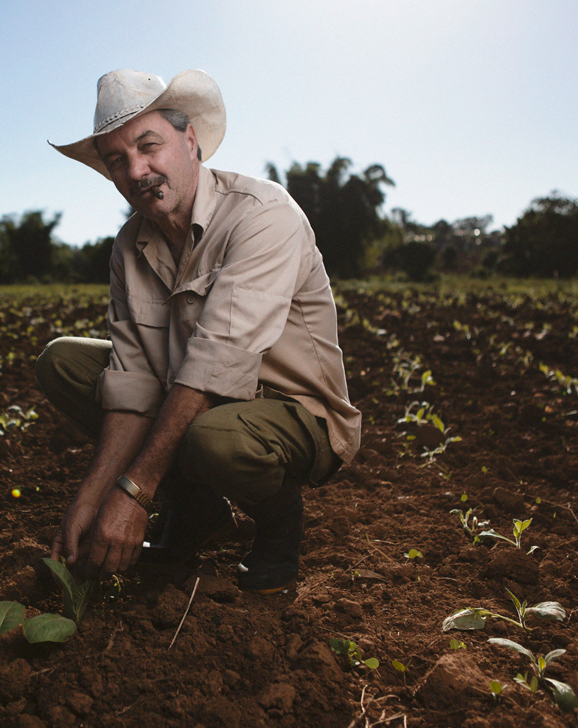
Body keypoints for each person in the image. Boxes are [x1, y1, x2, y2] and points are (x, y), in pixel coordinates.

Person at [37, 69, 360, 593]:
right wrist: (91, 499)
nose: (137, 170)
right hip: (189, 397)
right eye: (117, 160)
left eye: (149, 146)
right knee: (64, 363)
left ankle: (278, 525)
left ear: (190, 141)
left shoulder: (263, 215)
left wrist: (136, 492)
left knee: (216, 438)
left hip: (295, 412)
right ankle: (196, 511)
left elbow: (214, 368)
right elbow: (135, 381)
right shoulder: (128, 246)